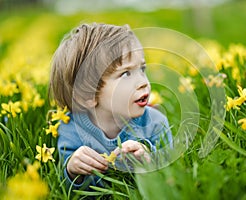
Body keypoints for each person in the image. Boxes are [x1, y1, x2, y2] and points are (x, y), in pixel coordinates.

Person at [49, 23, 172, 190]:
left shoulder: (155, 123)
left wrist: (149, 160)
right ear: (88, 96)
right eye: (126, 74)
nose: (143, 82)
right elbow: (72, 190)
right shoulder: (71, 130)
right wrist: (73, 172)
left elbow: (171, 172)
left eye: (142, 69)